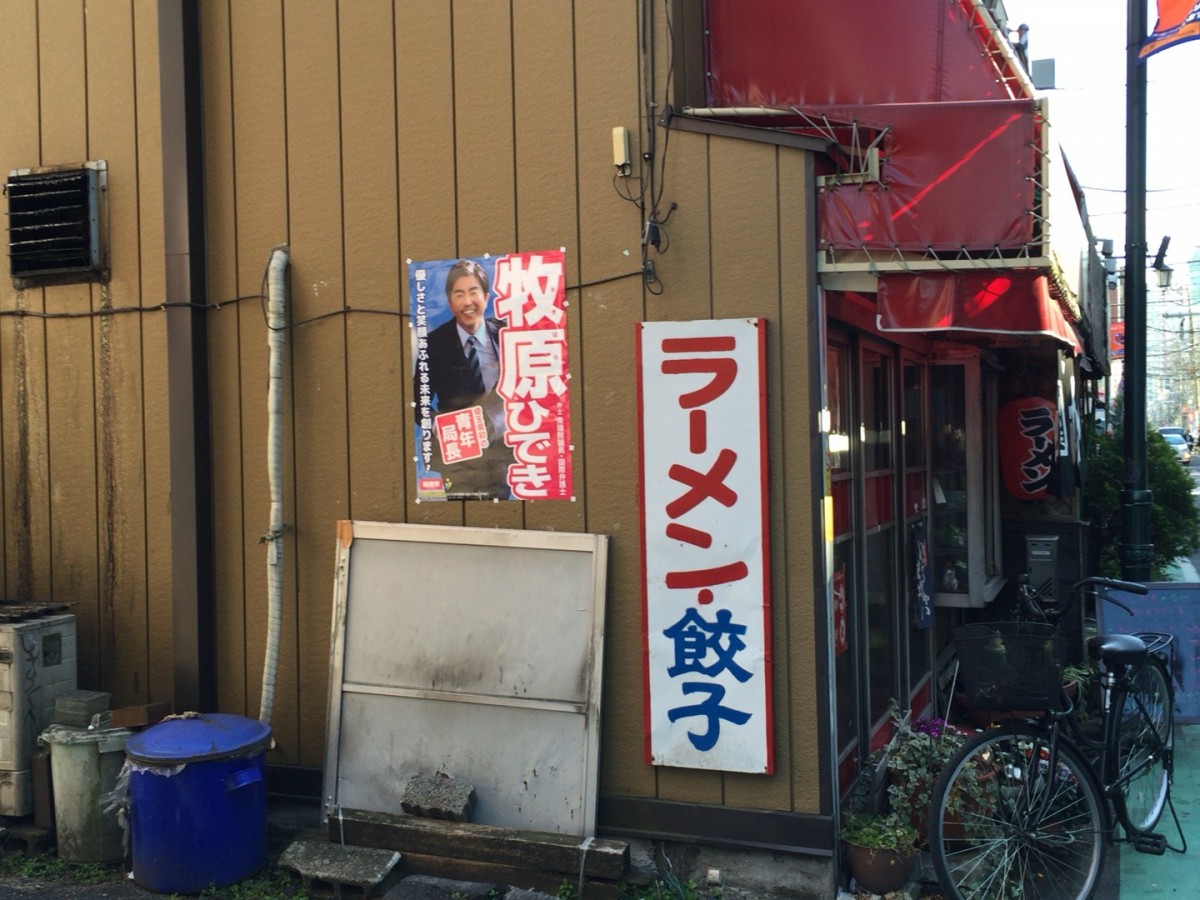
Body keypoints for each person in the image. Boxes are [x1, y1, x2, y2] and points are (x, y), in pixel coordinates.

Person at [417, 259, 513, 498]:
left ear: (486, 297)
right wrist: (435, 422)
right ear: (450, 302)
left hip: (504, 452)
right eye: (459, 294)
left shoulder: (507, 334)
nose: (467, 302)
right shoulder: (433, 344)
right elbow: (416, 401)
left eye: (473, 292)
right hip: (460, 457)